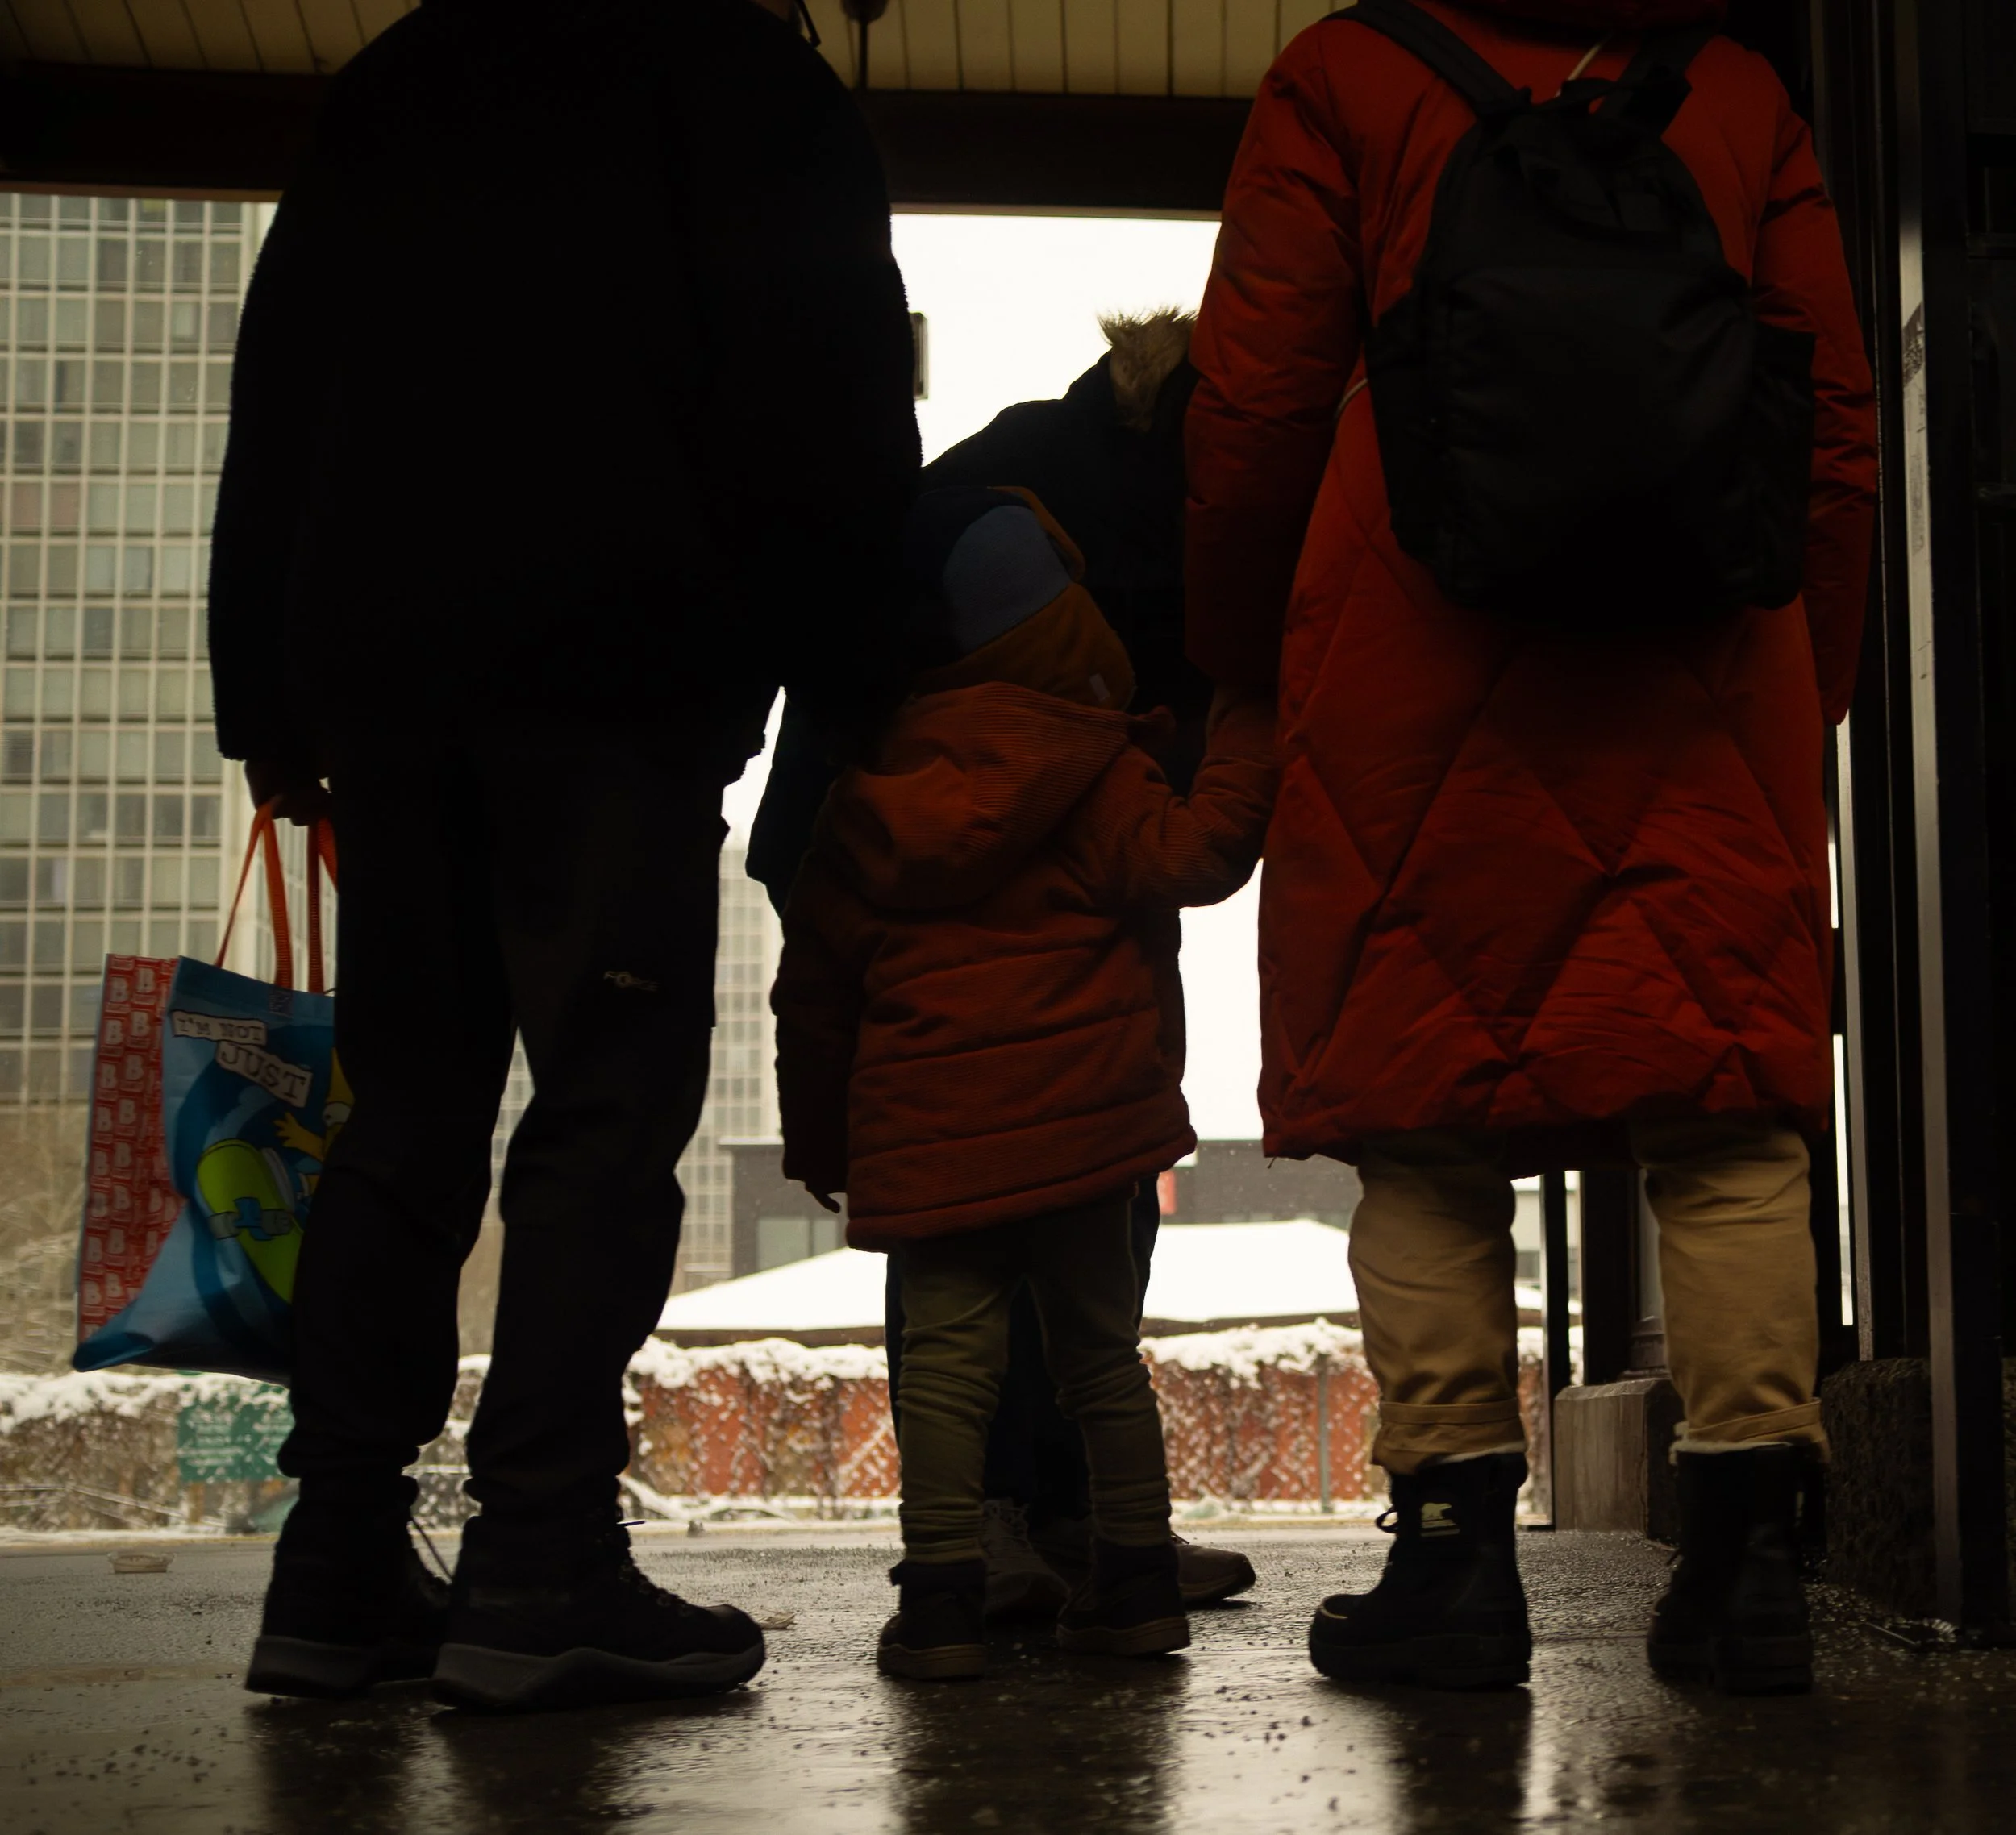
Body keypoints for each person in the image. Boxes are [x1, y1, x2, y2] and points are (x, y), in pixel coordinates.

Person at [209, 0, 918, 1711]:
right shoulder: (740, 79)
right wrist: (857, 673)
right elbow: (815, 384)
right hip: (611, 665)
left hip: (385, 677)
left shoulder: (404, 70)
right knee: (602, 1104)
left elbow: (283, 369)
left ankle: (338, 1561)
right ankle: (541, 1558)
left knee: (409, 1102)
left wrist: (265, 690)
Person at [1186, 0, 1876, 1695]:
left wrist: (1238, 657)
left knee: (1423, 1131)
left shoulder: (1344, 77)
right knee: (1725, 1125)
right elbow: (1834, 422)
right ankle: (1743, 1567)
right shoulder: (1731, 93)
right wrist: (1807, 686)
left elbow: (1257, 400)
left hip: (1407, 661)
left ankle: (1447, 1572)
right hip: (1701, 664)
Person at [752, 314, 1256, 1618]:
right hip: (924, 853)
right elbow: (1174, 786)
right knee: (1025, 1259)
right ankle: (1031, 1534)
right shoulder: (1025, 503)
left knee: (989, 1248)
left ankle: (1000, 1546)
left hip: (933, 859)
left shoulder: (1113, 477)